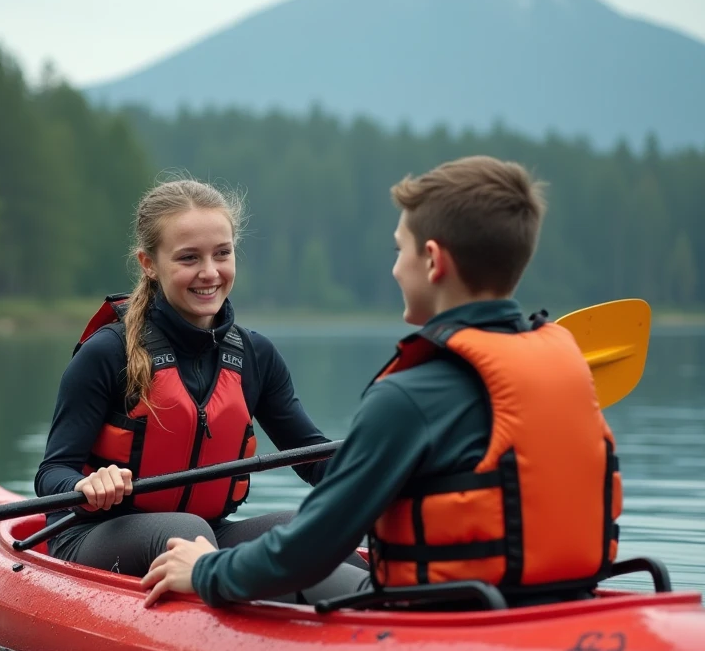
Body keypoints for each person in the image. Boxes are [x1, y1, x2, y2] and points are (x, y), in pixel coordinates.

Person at [141, 156, 623, 609]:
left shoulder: (407, 397)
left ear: (432, 261)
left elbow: (305, 553)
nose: (395, 267)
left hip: (442, 620)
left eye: (400, 250)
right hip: (561, 601)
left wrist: (207, 570)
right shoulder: (563, 364)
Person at [35, 176, 370, 600]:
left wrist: (380, 473)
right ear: (149, 264)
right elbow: (51, 474)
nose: (209, 273)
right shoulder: (107, 353)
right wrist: (86, 486)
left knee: (314, 528)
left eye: (222, 254)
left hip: (207, 536)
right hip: (92, 535)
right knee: (187, 531)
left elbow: (315, 457)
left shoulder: (256, 356)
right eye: (189, 258)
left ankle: (376, 619)